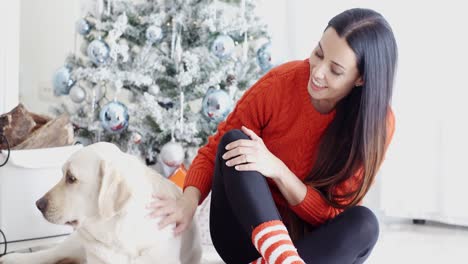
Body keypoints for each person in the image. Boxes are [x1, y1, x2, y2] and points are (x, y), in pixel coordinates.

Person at [147, 7, 398, 264]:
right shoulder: (281, 83)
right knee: (235, 142)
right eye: (318, 53)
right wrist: (188, 201)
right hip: (245, 235)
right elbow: (215, 151)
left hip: (308, 245)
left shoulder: (376, 125)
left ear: (361, 79)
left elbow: (332, 214)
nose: (318, 72)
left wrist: (278, 170)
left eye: (335, 70)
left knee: (365, 223)